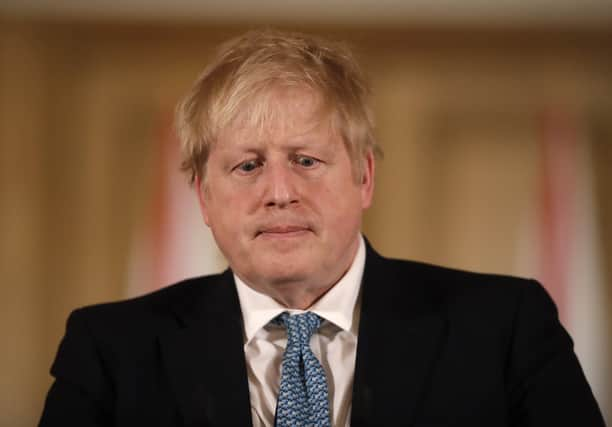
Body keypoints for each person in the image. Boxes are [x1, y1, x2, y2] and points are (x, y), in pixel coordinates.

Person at [39, 29, 605, 427]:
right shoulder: (111, 351)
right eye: (247, 165)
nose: (280, 192)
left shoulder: (504, 329)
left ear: (363, 177)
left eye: (306, 160)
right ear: (204, 198)